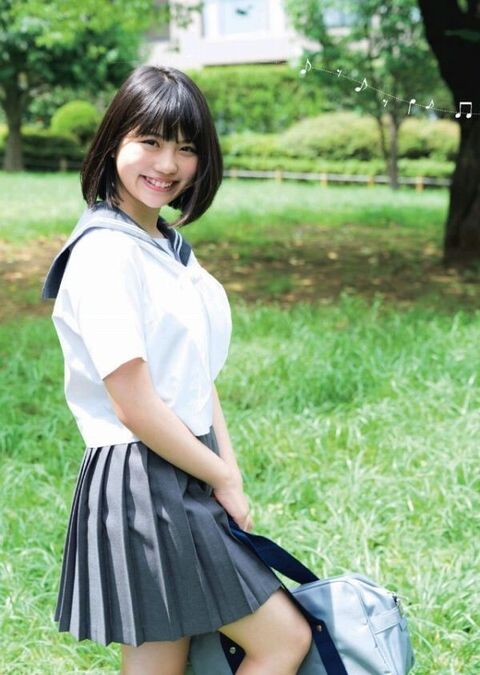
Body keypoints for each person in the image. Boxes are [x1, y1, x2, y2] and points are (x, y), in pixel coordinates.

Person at [42, 65, 312, 675]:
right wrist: (223, 477)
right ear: (114, 140)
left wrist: (226, 469)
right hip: (143, 475)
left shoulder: (162, 244)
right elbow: (133, 403)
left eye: (186, 148)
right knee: (282, 639)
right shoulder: (106, 253)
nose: (168, 164)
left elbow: (195, 374)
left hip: (178, 464)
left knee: (164, 660)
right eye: (150, 141)